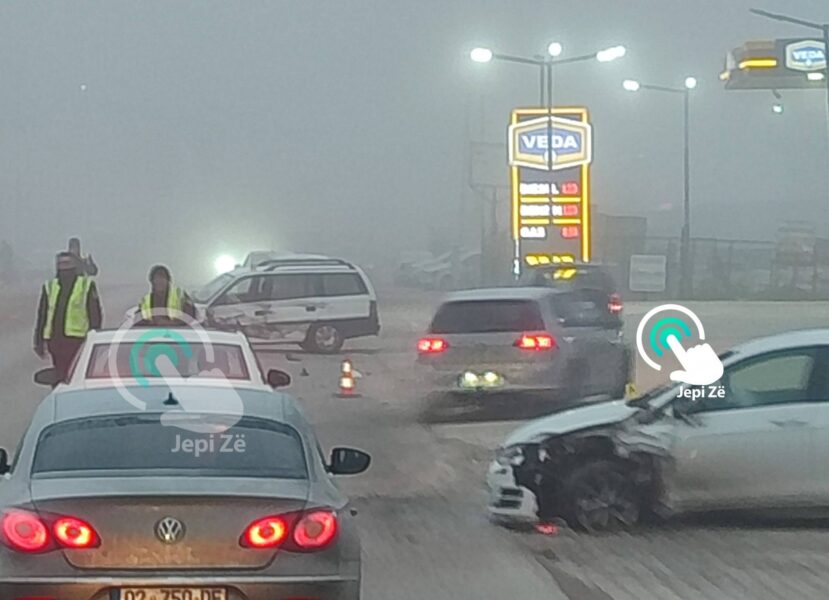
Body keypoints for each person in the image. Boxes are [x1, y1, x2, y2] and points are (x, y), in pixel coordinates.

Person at [34, 252, 103, 384]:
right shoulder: (50, 286)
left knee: (76, 374)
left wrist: (94, 338)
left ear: (74, 265)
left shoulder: (86, 285)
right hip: (55, 340)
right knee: (59, 375)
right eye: (60, 264)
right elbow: (42, 315)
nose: (64, 267)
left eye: (67, 263)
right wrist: (38, 341)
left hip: (78, 339)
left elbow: (95, 315)